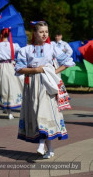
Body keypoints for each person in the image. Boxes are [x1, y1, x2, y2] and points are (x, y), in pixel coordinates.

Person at [15, 21, 75, 159]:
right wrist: (36, 69)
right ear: (34, 33)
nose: (44, 34)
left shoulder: (51, 48)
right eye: (41, 31)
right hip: (32, 84)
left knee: (43, 111)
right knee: (36, 111)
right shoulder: (26, 50)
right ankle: (51, 149)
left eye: (46, 32)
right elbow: (19, 68)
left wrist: (52, 72)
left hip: (47, 84)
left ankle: (41, 143)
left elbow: (68, 62)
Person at [0, 28, 23, 119]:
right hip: (12, 66)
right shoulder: (14, 45)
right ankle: (13, 107)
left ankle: (7, 110)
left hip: (2, 67)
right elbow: (21, 54)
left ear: (1, 35)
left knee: (4, 87)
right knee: (14, 87)